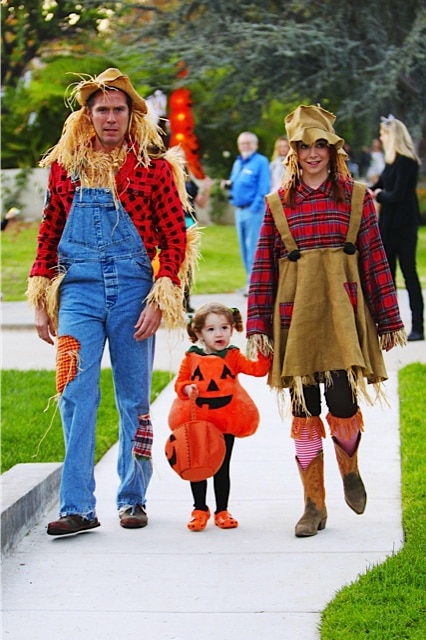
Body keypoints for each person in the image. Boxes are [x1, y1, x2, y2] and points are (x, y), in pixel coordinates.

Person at [26, 68, 197, 536]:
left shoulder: (153, 168)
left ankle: (132, 499)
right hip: (78, 293)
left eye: (118, 109)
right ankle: (78, 506)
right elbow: (48, 232)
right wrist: (41, 297)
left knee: (134, 400)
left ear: (131, 115)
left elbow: (175, 239)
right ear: (88, 115)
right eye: (101, 109)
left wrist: (161, 298)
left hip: (133, 295)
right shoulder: (66, 167)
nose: (110, 117)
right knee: (75, 394)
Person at [246, 104, 406, 538]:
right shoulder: (278, 204)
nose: (312, 153)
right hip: (294, 315)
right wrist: (257, 325)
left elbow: (375, 261)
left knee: (340, 401)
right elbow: (263, 266)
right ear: (293, 152)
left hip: (342, 312)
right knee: (303, 409)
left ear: (333, 150)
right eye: (303, 146)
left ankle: (349, 468)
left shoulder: (356, 198)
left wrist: (389, 320)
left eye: (320, 145)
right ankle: (313, 504)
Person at [168, 303, 271, 531]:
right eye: (212, 329)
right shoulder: (191, 358)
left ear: (232, 329)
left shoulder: (232, 356)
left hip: (225, 423)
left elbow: (256, 370)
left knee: (222, 468)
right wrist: (187, 389)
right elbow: (180, 383)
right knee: (197, 466)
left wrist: (265, 351)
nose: (219, 334)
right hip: (198, 423)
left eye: (224, 327)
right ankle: (199, 509)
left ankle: (222, 510)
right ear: (199, 333)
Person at [370, 115, 424, 341]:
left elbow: (396, 195)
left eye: (383, 134)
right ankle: (389, 325)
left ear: (391, 136)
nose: (380, 139)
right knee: (387, 276)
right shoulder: (391, 163)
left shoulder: (407, 161)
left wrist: (379, 196)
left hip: (405, 225)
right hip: (388, 226)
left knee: (409, 273)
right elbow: (379, 185)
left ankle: (418, 327)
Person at [222, 131, 270, 292]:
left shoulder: (260, 162)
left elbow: (264, 187)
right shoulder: (238, 163)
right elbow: (235, 181)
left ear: (255, 145)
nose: (246, 146)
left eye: (249, 143)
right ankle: (249, 282)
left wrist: (256, 208)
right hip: (239, 210)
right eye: (243, 143)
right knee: (243, 248)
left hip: (253, 210)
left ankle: (256, 284)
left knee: (253, 247)